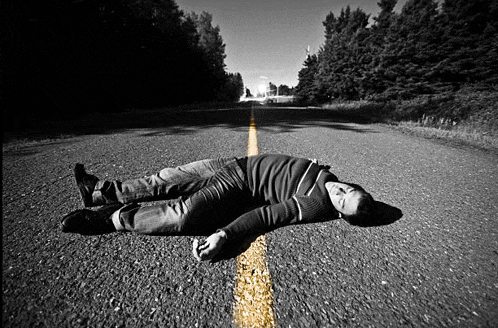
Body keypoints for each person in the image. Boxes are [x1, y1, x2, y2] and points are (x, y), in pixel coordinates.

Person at [60, 154, 375, 262]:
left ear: (339, 213)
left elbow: (268, 216)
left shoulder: (318, 204)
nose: (340, 192)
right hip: (232, 164)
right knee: (165, 179)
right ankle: (99, 191)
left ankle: (109, 219)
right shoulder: (327, 175)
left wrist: (226, 234)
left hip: (238, 184)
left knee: (184, 215)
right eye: (349, 190)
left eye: (342, 202)